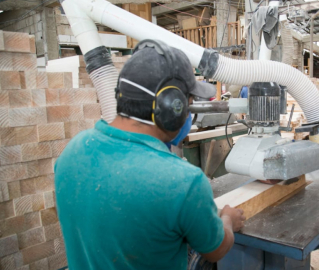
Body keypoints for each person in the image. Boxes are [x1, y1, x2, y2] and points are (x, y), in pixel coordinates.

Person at [55, 39, 246, 270]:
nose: (189, 114)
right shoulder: (183, 182)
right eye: (190, 104)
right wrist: (227, 220)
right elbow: (215, 250)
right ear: (171, 106)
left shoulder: (71, 153)